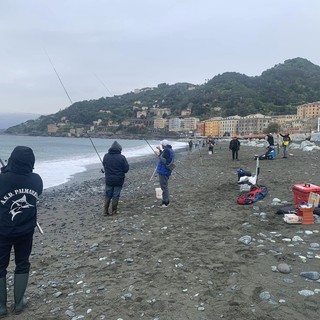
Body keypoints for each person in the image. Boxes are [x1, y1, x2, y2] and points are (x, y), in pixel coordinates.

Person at [0, 146, 43, 316]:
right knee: (22, 263)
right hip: (26, 230)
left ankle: (2, 307)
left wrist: (5, 172)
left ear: (12, 160)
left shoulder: (2, 179)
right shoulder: (36, 179)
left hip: (2, 231)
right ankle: (19, 303)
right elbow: (36, 192)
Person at [102, 141, 129, 216]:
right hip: (119, 180)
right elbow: (126, 169)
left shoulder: (106, 156)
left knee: (108, 195)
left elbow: (104, 165)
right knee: (116, 195)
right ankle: (114, 211)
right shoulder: (122, 157)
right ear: (119, 149)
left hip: (109, 179)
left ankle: (105, 211)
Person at [156, 139, 174, 207]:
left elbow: (164, 160)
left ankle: (165, 202)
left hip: (164, 171)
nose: (162, 146)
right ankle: (165, 201)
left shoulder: (167, 150)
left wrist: (159, 155)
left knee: (164, 187)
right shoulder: (169, 150)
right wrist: (160, 151)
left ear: (164, 145)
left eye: (162, 145)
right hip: (165, 170)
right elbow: (165, 157)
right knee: (164, 186)